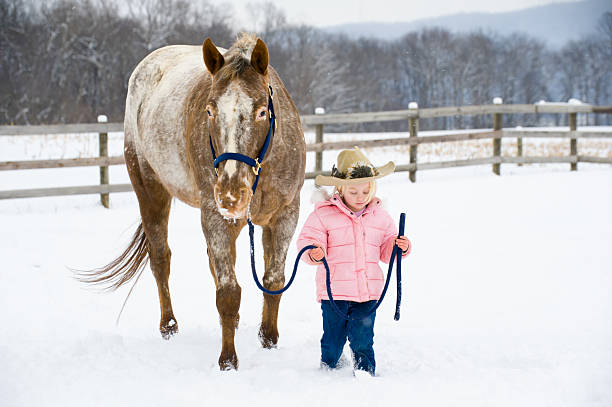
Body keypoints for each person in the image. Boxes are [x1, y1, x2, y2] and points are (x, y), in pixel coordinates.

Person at [296, 147, 411, 376]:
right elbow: (308, 239)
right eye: (354, 192)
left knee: (363, 338)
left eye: (366, 191)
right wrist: (314, 251)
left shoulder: (380, 216)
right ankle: (329, 369)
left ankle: (365, 372)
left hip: (367, 292)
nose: (361, 197)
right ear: (340, 189)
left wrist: (398, 247)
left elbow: (386, 249)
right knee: (332, 339)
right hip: (334, 293)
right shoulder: (323, 214)